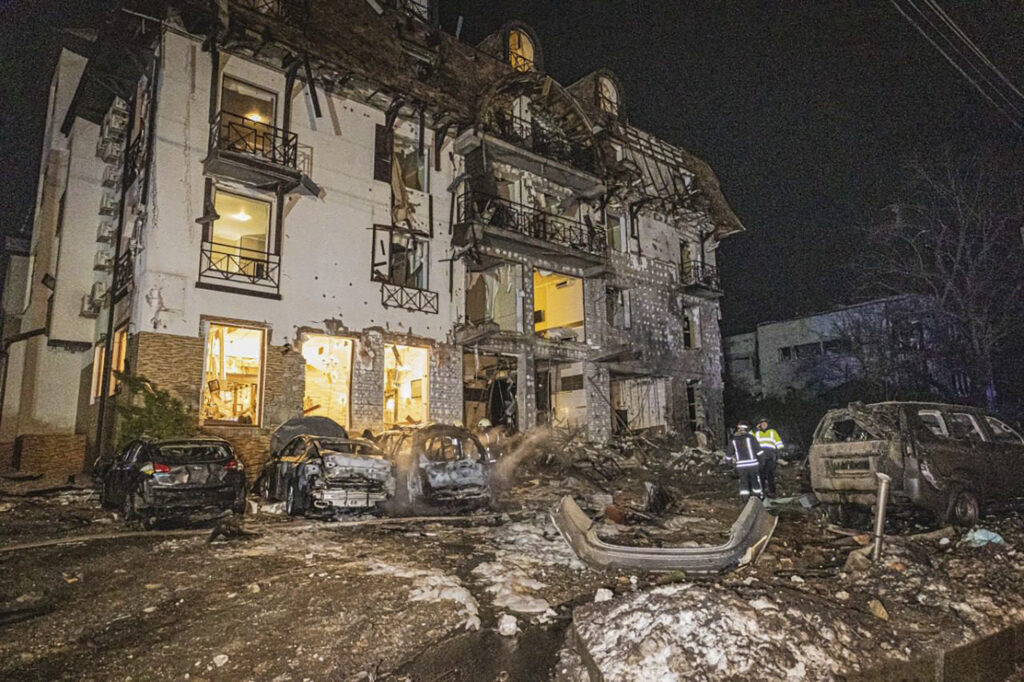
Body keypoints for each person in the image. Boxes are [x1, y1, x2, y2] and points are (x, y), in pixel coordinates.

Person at [725, 422, 764, 501]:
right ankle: (758, 498)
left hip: (741, 467)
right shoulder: (751, 438)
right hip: (753, 465)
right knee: (755, 482)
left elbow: (729, 455)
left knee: (744, 483)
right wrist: (762, 463)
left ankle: (744, 499)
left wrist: (731, 465)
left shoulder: (733, 440)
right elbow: (759, 452)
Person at [753, 417, 783, 498]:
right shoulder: (757, 433)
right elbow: (749, 436)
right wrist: (755, 429)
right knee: (761, 475)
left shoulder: (772, 432)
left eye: (765, 423)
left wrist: (780, 453)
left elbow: (778, 442)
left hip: (770, 456)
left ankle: (772, 492)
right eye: (762, 424)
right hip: (760, 457)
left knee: (770, 475)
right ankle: (762, 492)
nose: (764, 425)